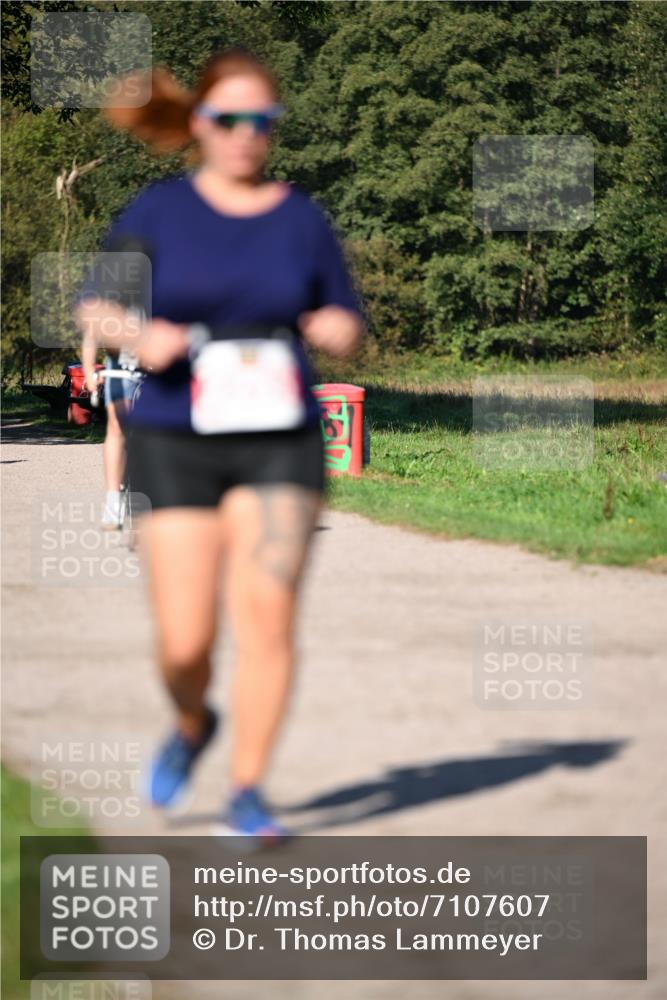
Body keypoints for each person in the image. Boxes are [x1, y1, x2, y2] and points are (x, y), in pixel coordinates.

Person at [74, 47, 366, 843]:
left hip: (279, 441)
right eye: (228, 117)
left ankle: (246, 791)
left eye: (260, 120)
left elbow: (344, 316)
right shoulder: (159, 212)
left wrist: (337, 328)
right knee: (186, 643)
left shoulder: (300, 218)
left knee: (267, 621)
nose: (244, 132)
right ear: (200, 122)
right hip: (176, 437)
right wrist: (139, 333)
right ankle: (192, 721)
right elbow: (96, 307)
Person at [82, 339, 138, 529]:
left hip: (161, 364)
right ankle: (113, 500)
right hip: (122, 364)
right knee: (117, 426)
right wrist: (89, 369)